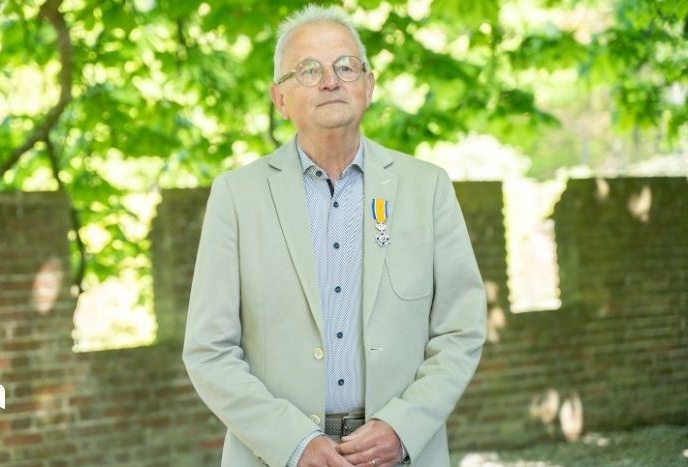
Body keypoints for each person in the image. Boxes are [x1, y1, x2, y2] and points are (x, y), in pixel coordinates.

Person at [182, 5, 486, 466]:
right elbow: (209, 351)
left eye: (345, 66)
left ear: (369, 85)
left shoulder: (428, 187)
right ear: (279, 98)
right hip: (276, 458)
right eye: (309, 70)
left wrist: (403, 427)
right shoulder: (236, 197)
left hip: (400, 455)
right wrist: (294, 443)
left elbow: (461, 329)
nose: (330, 80)